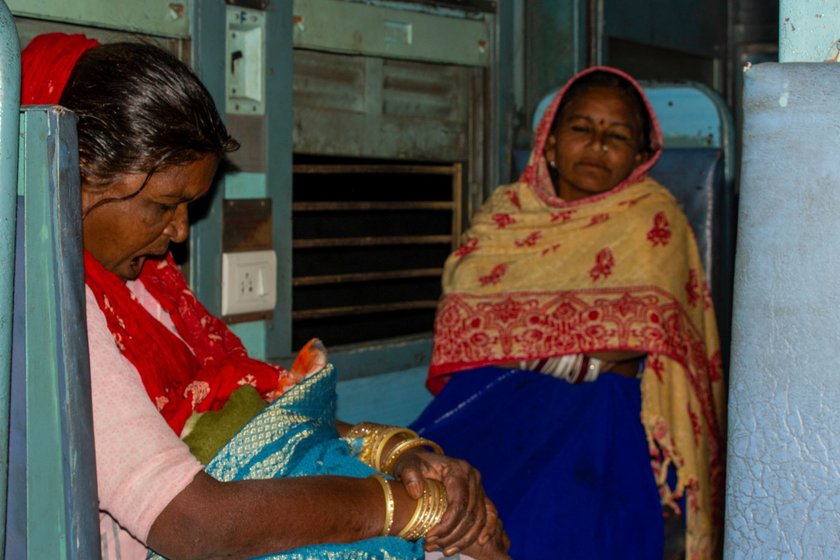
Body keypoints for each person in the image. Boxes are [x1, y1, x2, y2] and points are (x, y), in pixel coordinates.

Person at [21, 33, 510, 560]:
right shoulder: (59, 313)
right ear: (77, 167)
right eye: (166, 205)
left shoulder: (144, 286)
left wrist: (398, 453)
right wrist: (401, 506)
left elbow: (241, 414)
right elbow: (197, 525)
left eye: (189, 205)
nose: (181, 231)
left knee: (474, 534)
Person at [411, 67, 726, 559]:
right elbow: (462, 314)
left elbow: (642, 330)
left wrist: (530, 347)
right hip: (497, 388)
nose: (597, 143)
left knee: (556, 513)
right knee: (428, 488)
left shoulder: (653, 217)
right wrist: (577, 354)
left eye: (617, 136)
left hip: (605, 401)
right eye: (582, 128)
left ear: (641, 158)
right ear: (551, 143)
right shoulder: (506, 213)